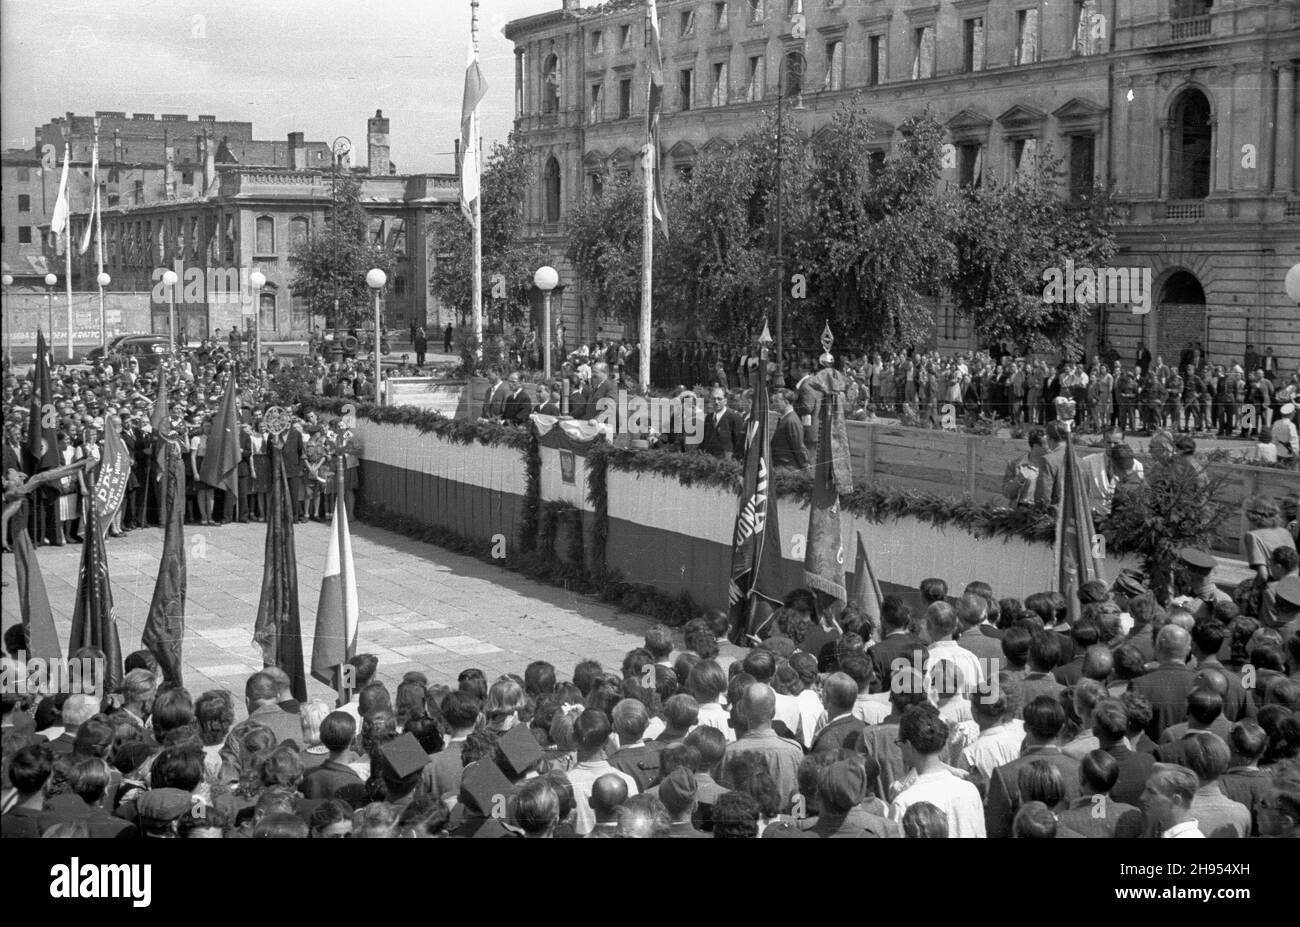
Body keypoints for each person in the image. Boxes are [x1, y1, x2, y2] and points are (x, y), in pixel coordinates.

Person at [890, 705, 985, 837]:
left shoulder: (903, 801)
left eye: (899, 742)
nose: (899, 747)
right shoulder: (970, 790)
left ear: (909, 745)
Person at [769, 389, 809, 470]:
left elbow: (798, 446)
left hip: (788, 467)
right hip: (781, 465)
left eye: (777, 401)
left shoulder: (791, 420)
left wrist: (805, 465)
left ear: (786, 402)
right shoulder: (785, 418)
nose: (774, 404)